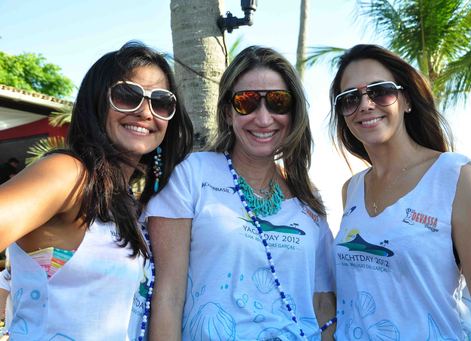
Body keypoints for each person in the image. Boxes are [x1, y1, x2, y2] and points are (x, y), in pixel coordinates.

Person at [0, 41, 193, 339]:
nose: (145, 112)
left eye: (162, 102)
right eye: (128, 96)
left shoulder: (123, 198)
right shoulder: (70, 173)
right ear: (96, 102)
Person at [145, 45, 336, 341]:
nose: (263, 118)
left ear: (293, 111)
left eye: (278, 102)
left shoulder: (307, 195)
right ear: (227, 112)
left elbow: (323, 303)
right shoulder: (191, 174)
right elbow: (168, 295)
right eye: (246, 102)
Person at [330, 44, 471, 340]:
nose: (364, 105)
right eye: (350, 98)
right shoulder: (351, 189)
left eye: (380, 91)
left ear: (407, 101)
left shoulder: (456, 176)